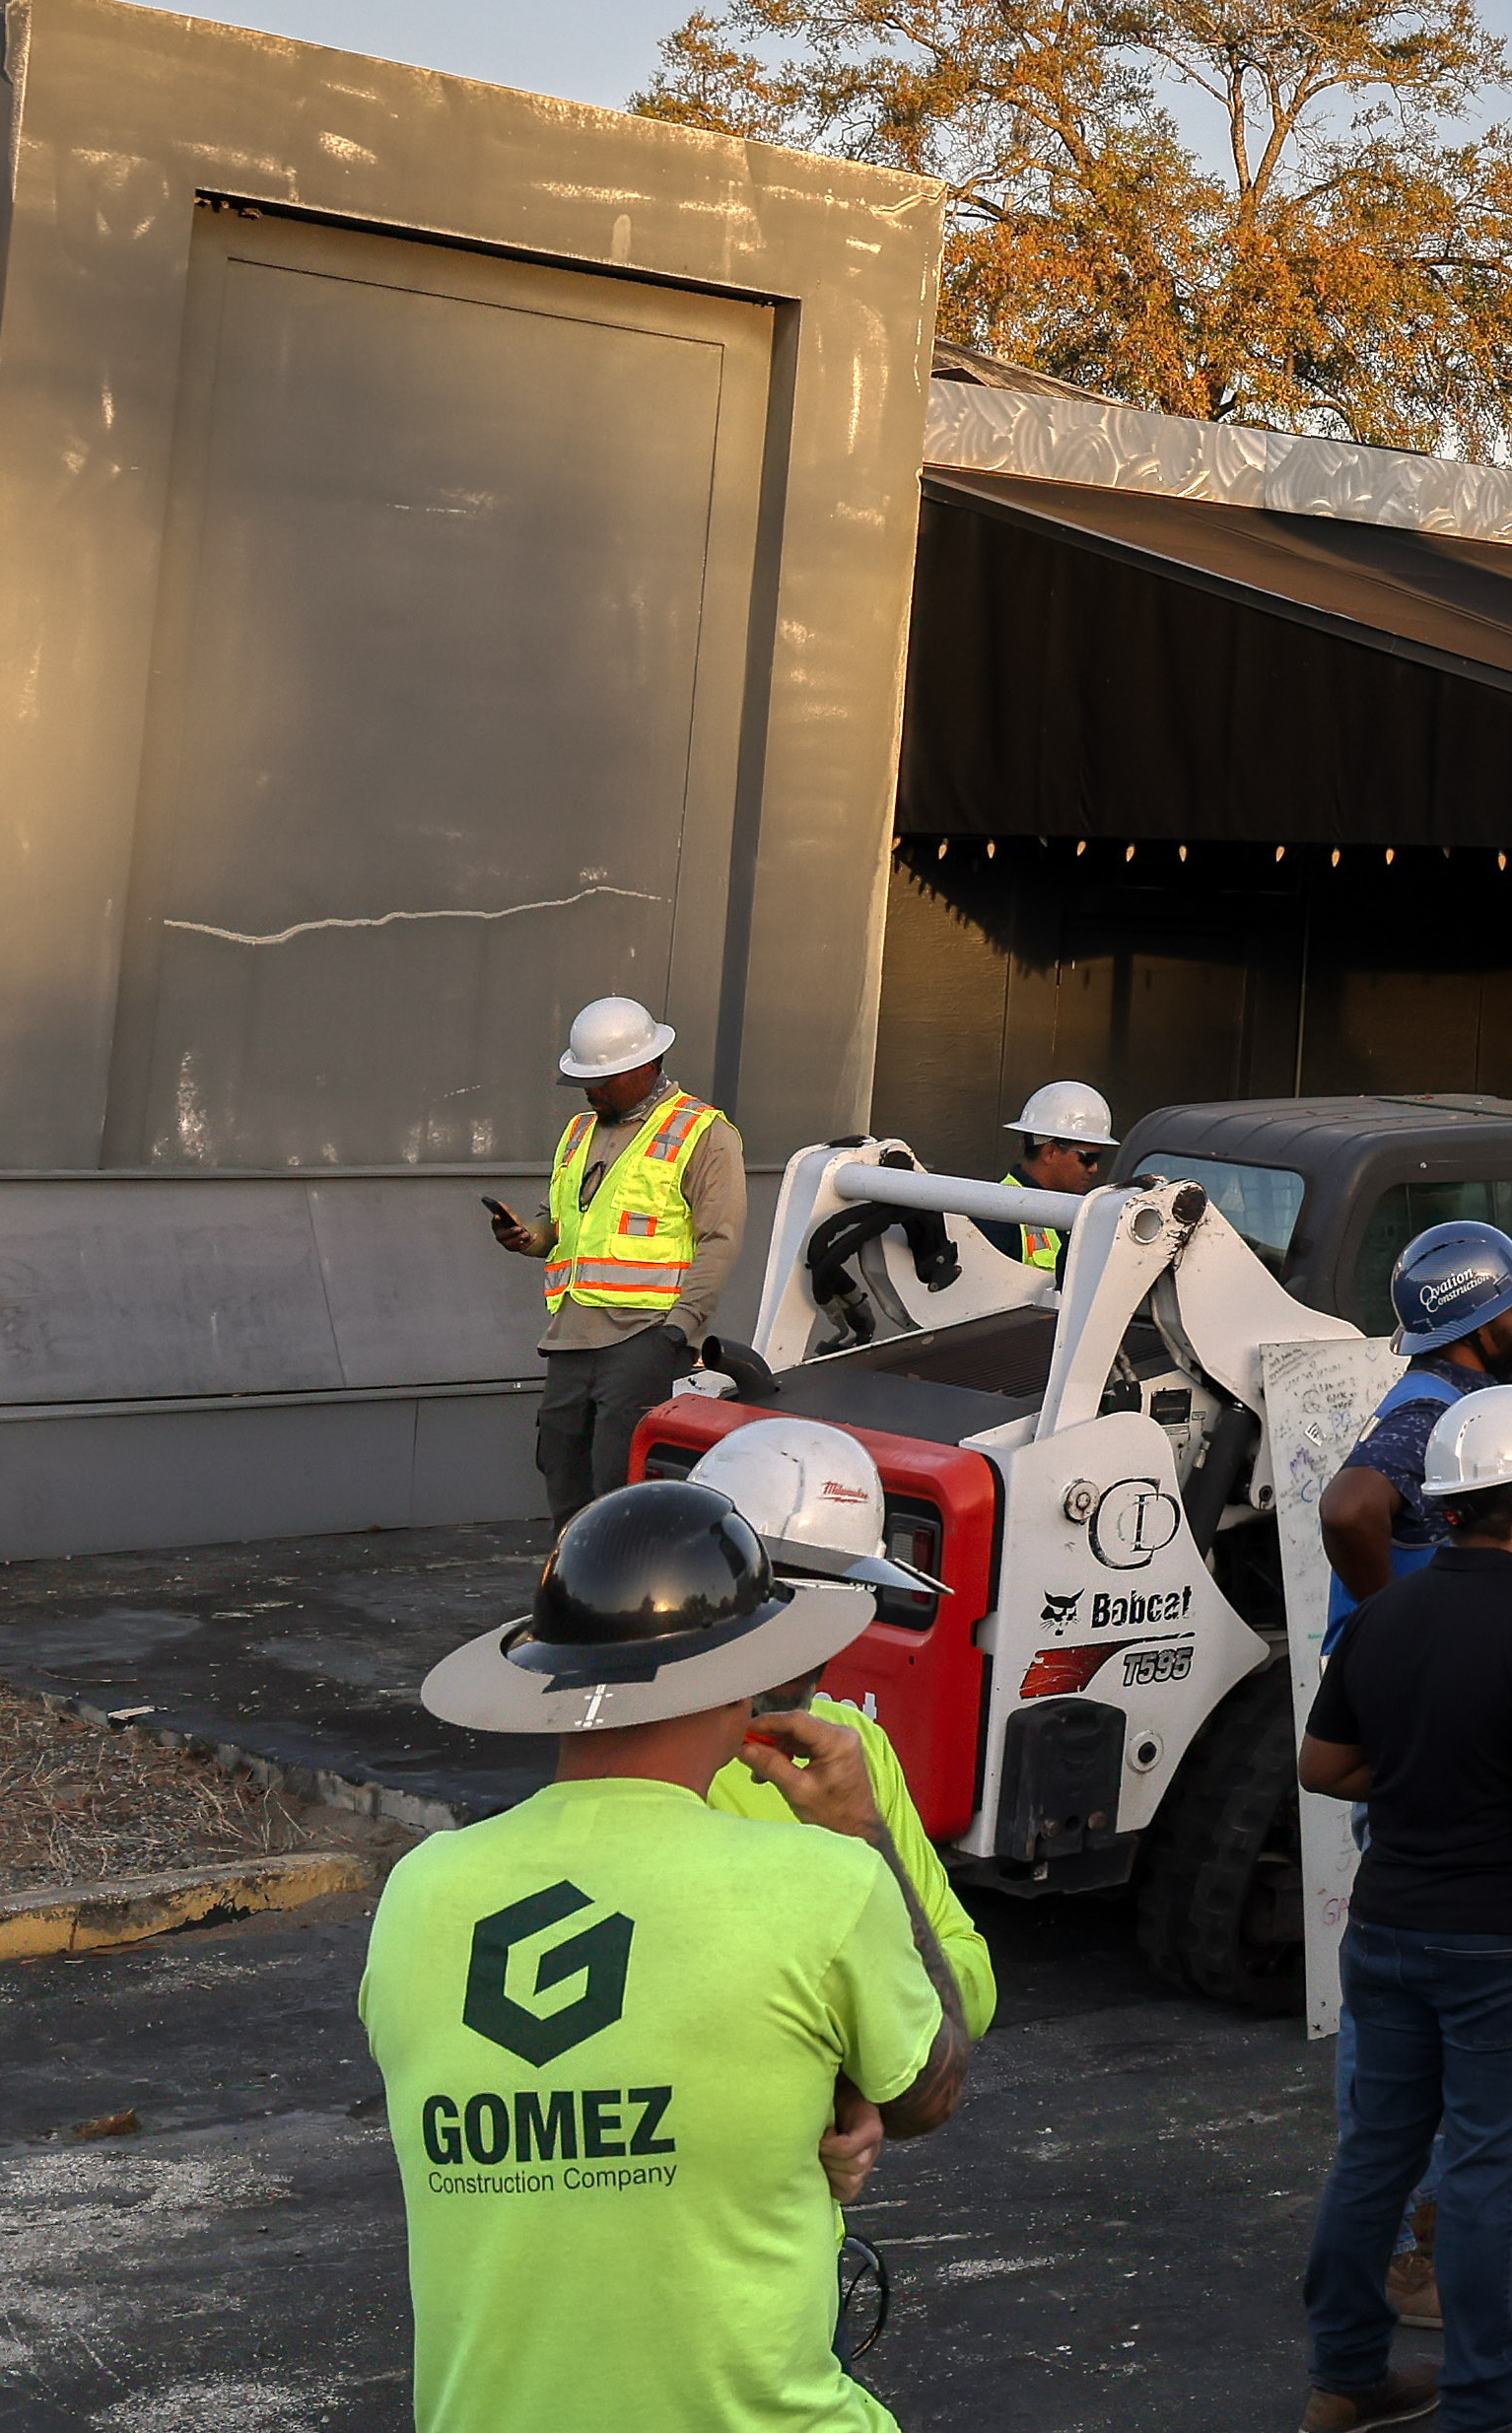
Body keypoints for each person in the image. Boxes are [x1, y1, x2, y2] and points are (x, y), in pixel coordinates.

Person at [364, 1482, 971, 2433]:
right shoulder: (821, 1883)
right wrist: (866, 1836)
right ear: (742, 1680)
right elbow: (927, 2091)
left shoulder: (418, 1895)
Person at [1296, 1383, 1512, 2433]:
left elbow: (1323, 1764)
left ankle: (1346, 2379)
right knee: (1485, 2175)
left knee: (1375, 2159)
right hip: (1507, 1942)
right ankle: (1483, 2408)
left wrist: (1421, 1784)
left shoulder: (1385, 1612)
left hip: (1388, 1929)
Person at [673, 1416, 995, 2033]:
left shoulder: (851, 1747)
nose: (813, 1651)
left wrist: (864, 1840)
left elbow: (966, 1993)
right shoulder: (653, 1751)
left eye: (839, 1603)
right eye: (788, 1603)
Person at [491, 995, 749, 1519]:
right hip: (571, 1335)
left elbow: (719, 1240)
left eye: (604, 1079)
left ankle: (624, 1588)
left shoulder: (703, 1134)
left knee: (618, 1474)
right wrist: (529, 1238)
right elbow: (560, 1225)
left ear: (649, 1064)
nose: (593, 1090)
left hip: (644, 1334)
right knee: (561, 1466)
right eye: (586, 1079)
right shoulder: (578, 1133)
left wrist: (680, 1329)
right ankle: (573, 1579)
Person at [1319, 1218, 1512, 1649]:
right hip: (1419, 1684)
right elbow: (1347, 1510)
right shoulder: (1432, 1413)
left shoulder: (1452, 1399)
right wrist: (1400, 1630)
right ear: (1480, 1326)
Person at [996, 1078, 1114, 1274]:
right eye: (1088, 1158)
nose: (1094, 1168)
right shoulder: (1000, 1216)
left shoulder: (1074, 1212)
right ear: (1050, 1152)